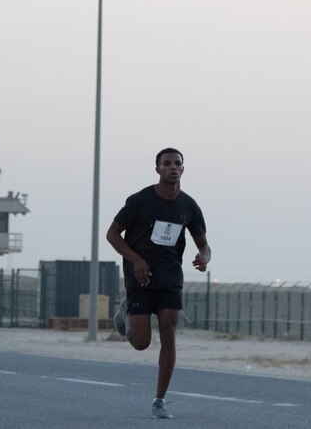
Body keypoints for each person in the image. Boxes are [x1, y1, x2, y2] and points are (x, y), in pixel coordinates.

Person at [107, 147, 212, 419]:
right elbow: (113, 235)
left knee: (169, 331)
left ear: (183, 169)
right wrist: (136, 260)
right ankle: (126, 312)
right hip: (140, 276)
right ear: (158, 169)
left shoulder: (189, 206)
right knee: (142, 343)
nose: (173, 168)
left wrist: (203, 257)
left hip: (170, 277)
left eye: (177, 163)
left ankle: (159, 400)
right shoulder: (140, 200)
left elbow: (205, 245)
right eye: (167, 164)